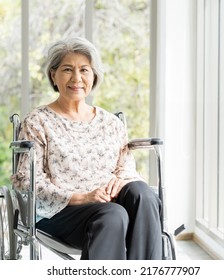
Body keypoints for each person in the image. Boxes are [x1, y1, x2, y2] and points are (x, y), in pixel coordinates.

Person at [11, 37, 162, 260]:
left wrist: (118, 184)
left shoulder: (111, 123)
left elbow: (126, 169)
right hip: (61, 212)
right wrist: (83, 197)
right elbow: (28, 181)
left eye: (84, 70)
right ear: (53, 75)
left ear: (94, 76)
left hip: (109, 203)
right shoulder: (38, 122)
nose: (77, 78)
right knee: (112, 214)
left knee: (142, 193)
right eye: (67, 69)